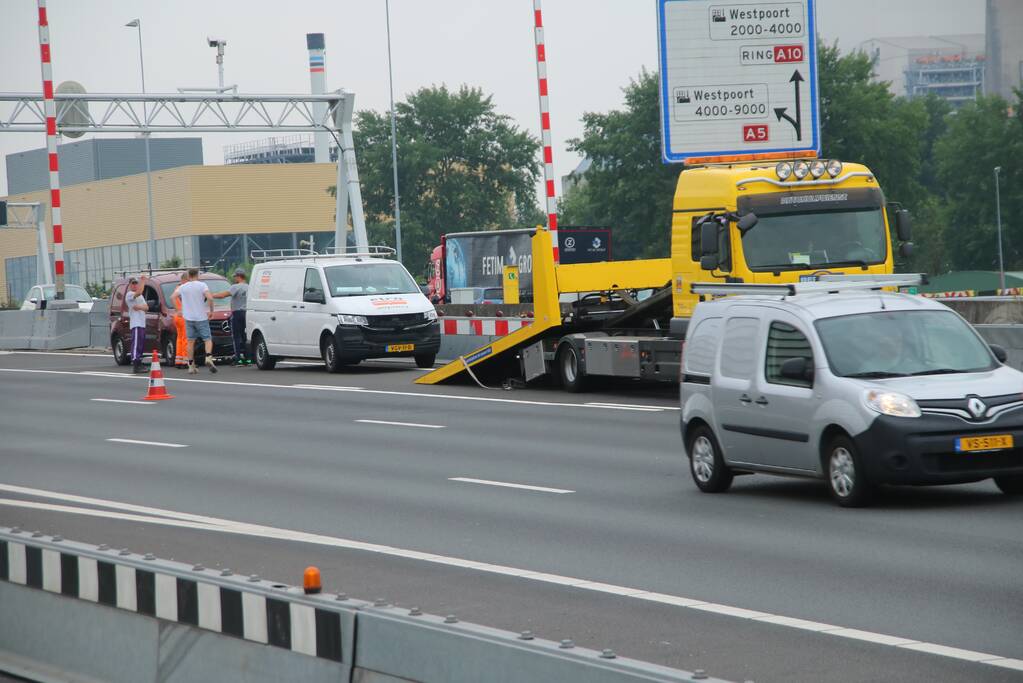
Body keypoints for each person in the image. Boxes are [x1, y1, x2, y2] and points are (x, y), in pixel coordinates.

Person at [172, 268, 217, 374]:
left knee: (190, 342)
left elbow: (173, 297)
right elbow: (210, 298)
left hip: (188, 318)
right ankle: (208, 357)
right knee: (207, 339)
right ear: (198, 275)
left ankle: (191, 365)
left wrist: (179, 310)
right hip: (201, 317)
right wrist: (211, 311)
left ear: (188, 275)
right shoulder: (202, 285)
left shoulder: (183, 287)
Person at [212, 268, 250, 365]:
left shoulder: (235, 287)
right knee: (245, 336)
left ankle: (238, 359)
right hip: (247, 313)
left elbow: (223, 295)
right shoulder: (249, 287)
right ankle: (248, 358)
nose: (234, 278)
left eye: (235, 277)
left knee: (236, 337)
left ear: (238, 276)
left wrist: (211, 295)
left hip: (237, 313)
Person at [124, 275, 149, 373]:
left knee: (140, 344)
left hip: (142, 322)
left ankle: (139, 362)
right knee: (136, 344)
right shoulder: (129, 294)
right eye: (133, 283)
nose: (134, 285)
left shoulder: (140, 296)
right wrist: (143, 281)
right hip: (136, 322)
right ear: (130, 285)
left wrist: (139, 307)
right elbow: (139, 292)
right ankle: (135, 363)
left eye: (136, 283)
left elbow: (146, 307)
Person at [171, 272, 189, 368]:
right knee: (185, 339)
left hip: (177, 317)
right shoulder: (183, 288)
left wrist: (177, 310)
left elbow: (173, 298)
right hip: (183, 316)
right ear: (185, 279)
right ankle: (185, 361)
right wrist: (180, 310)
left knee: (179, 339)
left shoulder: (177, 288)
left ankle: (178, 360)